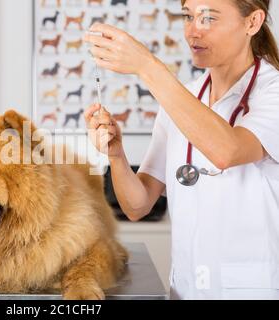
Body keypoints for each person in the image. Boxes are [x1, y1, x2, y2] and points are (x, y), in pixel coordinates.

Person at [83, 0, 279, 299]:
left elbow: (226, 151)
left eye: (209, 18)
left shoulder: (273, 91)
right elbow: (138, 205)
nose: (192, 32)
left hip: (252, 290)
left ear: (252, 22)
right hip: (186, 288)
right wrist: (116, 153)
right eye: (188, 16)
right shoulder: (183, 96)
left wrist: (147, 66)